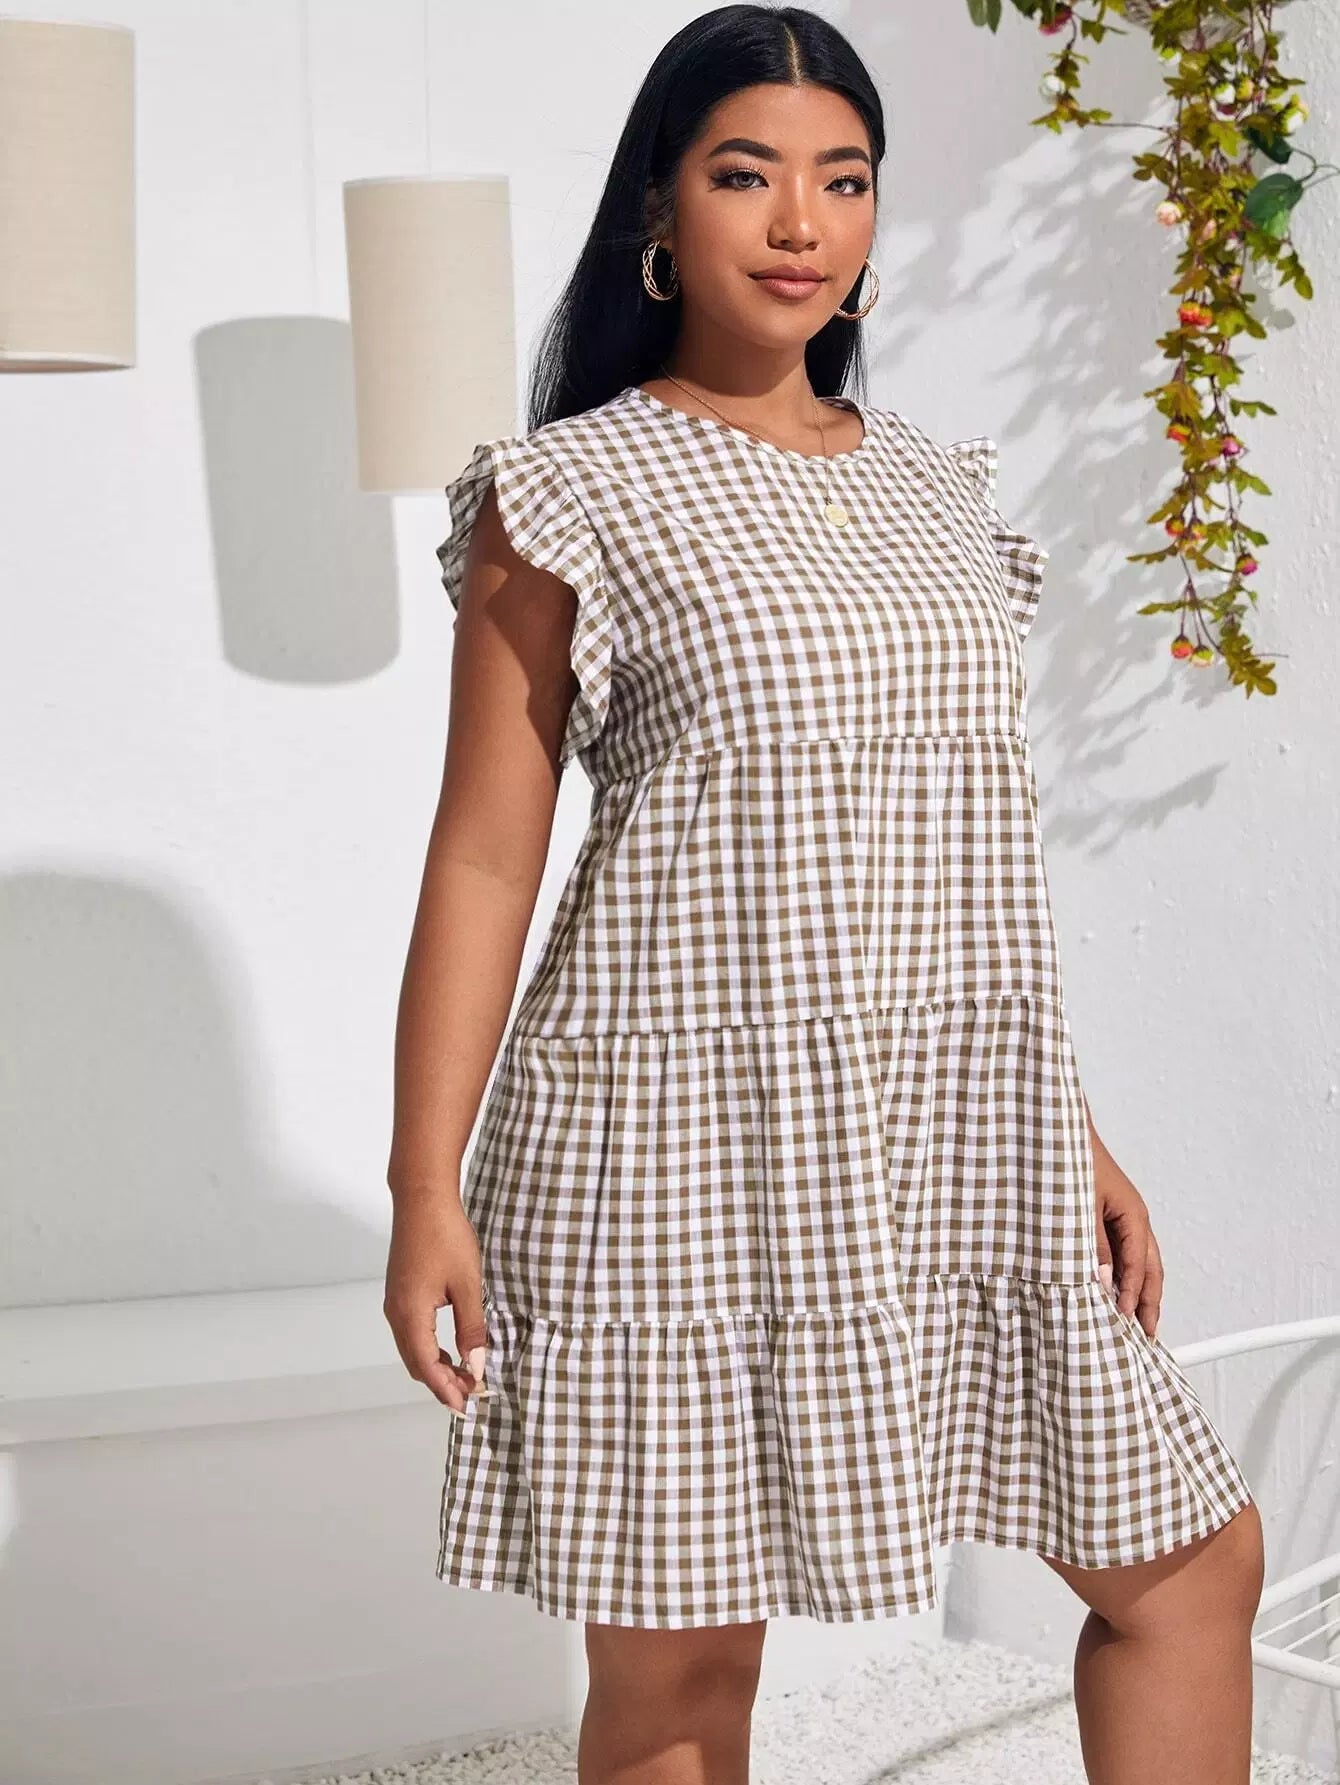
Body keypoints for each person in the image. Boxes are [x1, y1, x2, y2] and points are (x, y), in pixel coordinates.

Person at [384, 7, 1265, 1781]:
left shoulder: (941, 490)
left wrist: (1068, 1130)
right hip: (671, 1140)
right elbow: (485, 850)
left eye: (844, 180)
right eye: (747, 175)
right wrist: (424, 1185)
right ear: (661, 207)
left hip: (948, 1125)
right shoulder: (568, 490)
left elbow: (948, 849)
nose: (801, 222)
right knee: (686, 1671)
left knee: (1191, 1564)